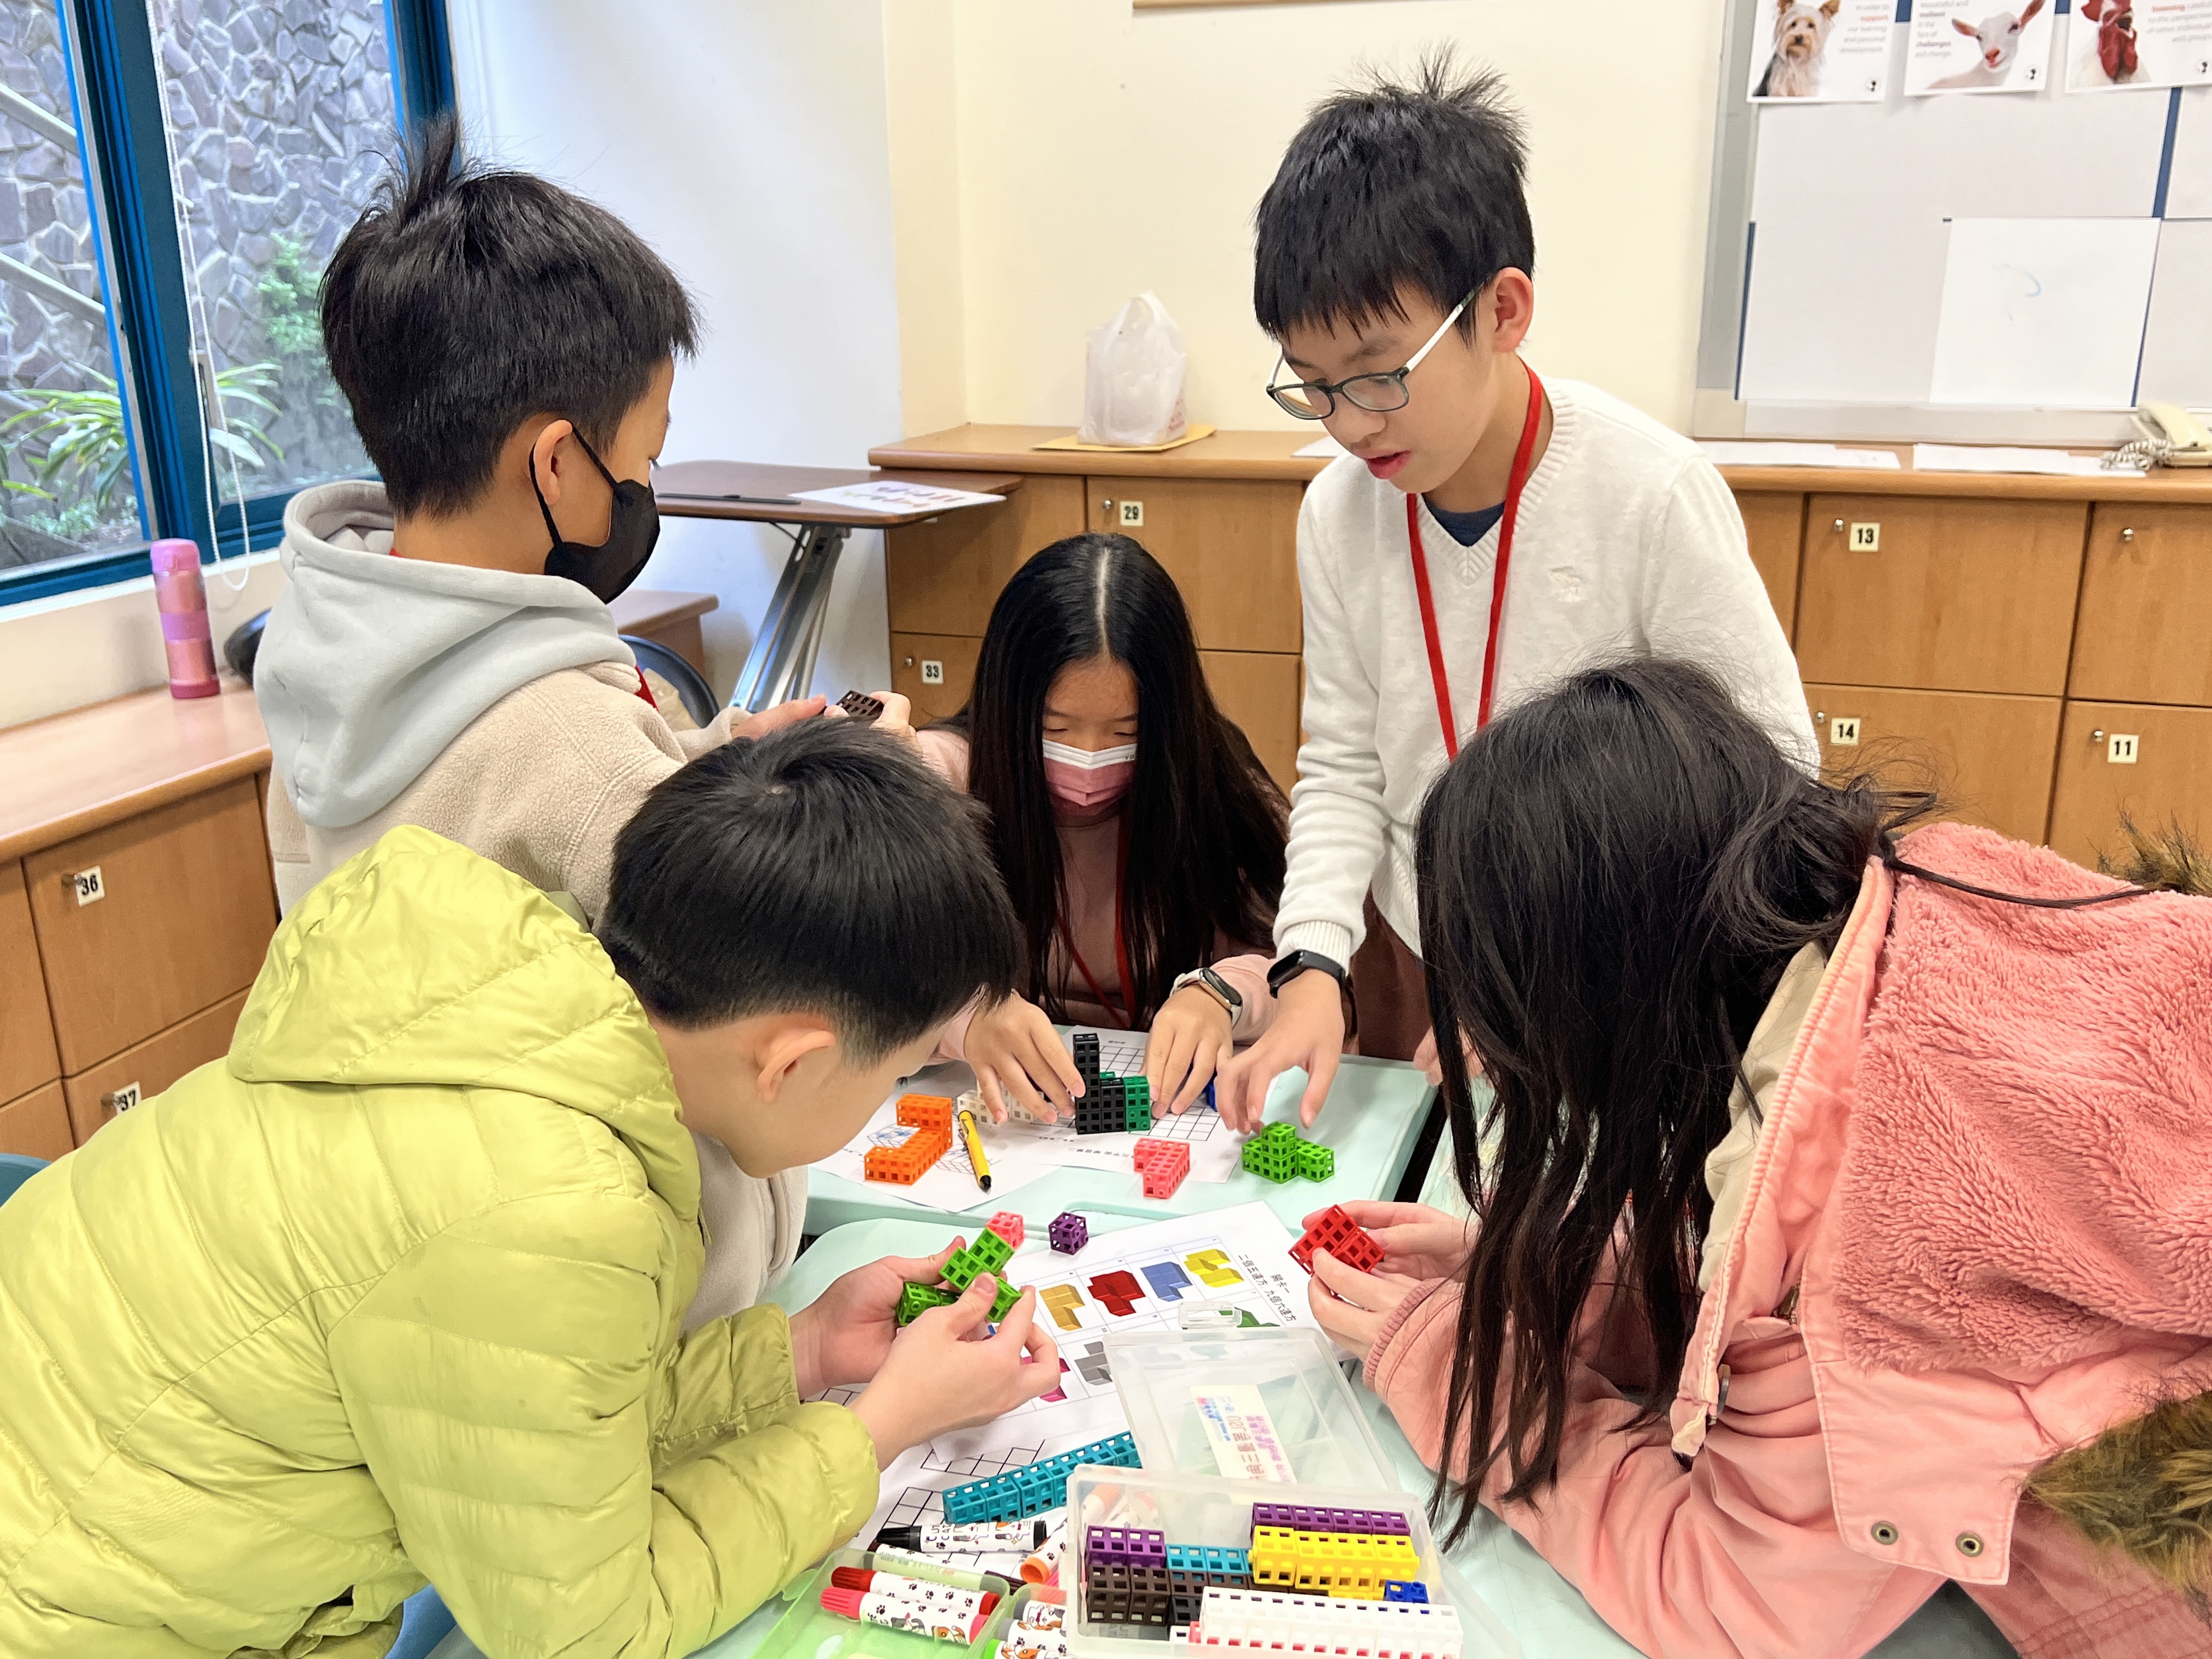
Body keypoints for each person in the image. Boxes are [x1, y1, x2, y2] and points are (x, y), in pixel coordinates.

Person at [0, 721, 1060, 1658]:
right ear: (791, 1061)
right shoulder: (548, 1202)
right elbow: (588, 1627)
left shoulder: (517, 1012)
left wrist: (806, 1349)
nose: (890, 1094)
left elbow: (542, 1415)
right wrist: (875, 1428)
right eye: (899, 1068)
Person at [1306, 659, 2212, 1659]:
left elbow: (1736, 1605)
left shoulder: (1880, 1243)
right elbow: (1771, 1274)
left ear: (1588, 1009)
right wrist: (1536, 1275)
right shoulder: (1925, 916)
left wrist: (1457, 1369)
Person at [252, 115, 907, 1320]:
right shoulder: (565, 728)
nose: (645, 490)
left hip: (427, 1254)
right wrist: (867, 806)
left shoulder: (329, 669)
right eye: (643, 457)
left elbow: (520, 843)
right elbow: (747, 982)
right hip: (625, 1291)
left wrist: (709, 762)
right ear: (555, 464)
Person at [1216, 58, 1816, 1131]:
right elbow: (1344, 763)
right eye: (1311, 385)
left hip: (1624, 981)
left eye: (1377, 373)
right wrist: (1311, 961)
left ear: (1501, 310)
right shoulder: (1339, 512)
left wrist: (1576, 988)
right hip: (1431, 959)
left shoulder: (1649, 494)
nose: (1348, 423)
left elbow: (1771, 783)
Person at [917, 533, 1289, 1122]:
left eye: (1125, 732)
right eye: (1056, 729)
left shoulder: (1211, 782)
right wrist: (962, 1018)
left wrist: (1223, 994)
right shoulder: (944, 778)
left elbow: (1303, 968)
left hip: (1168, 1107)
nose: (1089, 758)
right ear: (1006, 705)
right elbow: (851, 972)